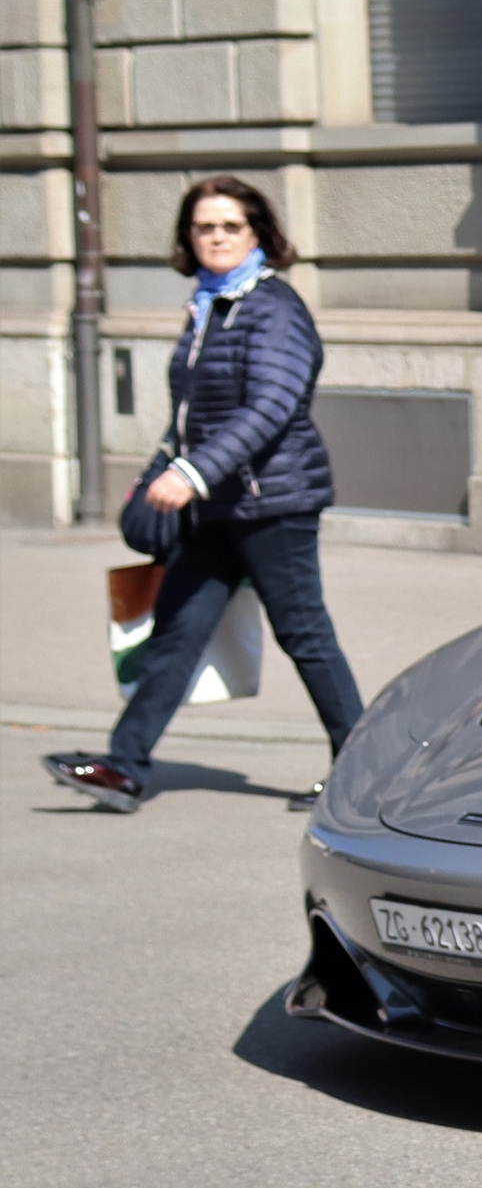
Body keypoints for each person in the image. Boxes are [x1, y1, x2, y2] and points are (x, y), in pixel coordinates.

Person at [43, 177, 362, 814]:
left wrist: (192, 473)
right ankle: (124, 768)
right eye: (203, 227)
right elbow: (193, 414)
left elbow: (271, 406)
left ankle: (362, 771)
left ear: (258, 235)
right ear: (188, 238)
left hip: (274, 502)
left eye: (229, 227)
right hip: (217, 504)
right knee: (177, 630)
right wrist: (160, 468)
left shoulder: (273, 308)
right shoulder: (209, 305)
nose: (214, 237)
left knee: (304, 633)